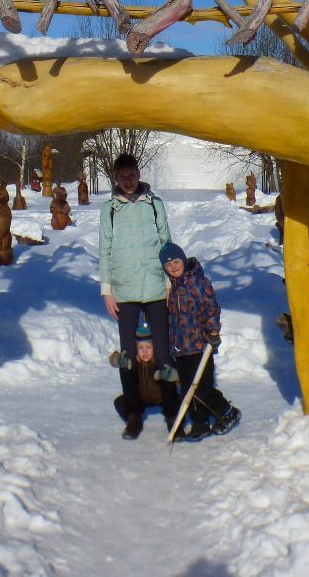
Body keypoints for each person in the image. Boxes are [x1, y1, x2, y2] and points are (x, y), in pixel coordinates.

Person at [99, 153, 176, 439]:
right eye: (122, 176)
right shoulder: (109, 210)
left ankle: (171, 410)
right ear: (116, 178)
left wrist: (169, 283)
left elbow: (166, 244)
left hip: (155, 284)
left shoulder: (155, 205)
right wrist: (107, 291)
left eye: (132, 175)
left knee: (164, 351)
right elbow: (104, 251)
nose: (128, 181)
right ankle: (133, 413)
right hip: (125, 287)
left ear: (138, 174)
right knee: (128, 355)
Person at [161, 241, 240, 440]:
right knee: (189, 389)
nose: (173, 267)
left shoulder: (198, 282)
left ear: (183, 260)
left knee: (202, 387)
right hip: (181, 349)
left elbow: (211, 308)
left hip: (199, 345)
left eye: (176, 262)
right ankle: (200, 424)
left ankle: (227, 411)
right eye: (168, 266)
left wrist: (212, 331)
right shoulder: (173, 289)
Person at [109, 320, 182, 440]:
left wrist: (173, 375)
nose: (144, 351)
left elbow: (181, 378)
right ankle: (134, 420)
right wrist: (118, 360)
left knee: (178, 397)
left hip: (163, 398)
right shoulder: (134, 362)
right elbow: (113, 358)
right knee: (120, 401)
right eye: (140, 347)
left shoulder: (161, 361)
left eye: (148, 347)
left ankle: (174, 421)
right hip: (142, 399)